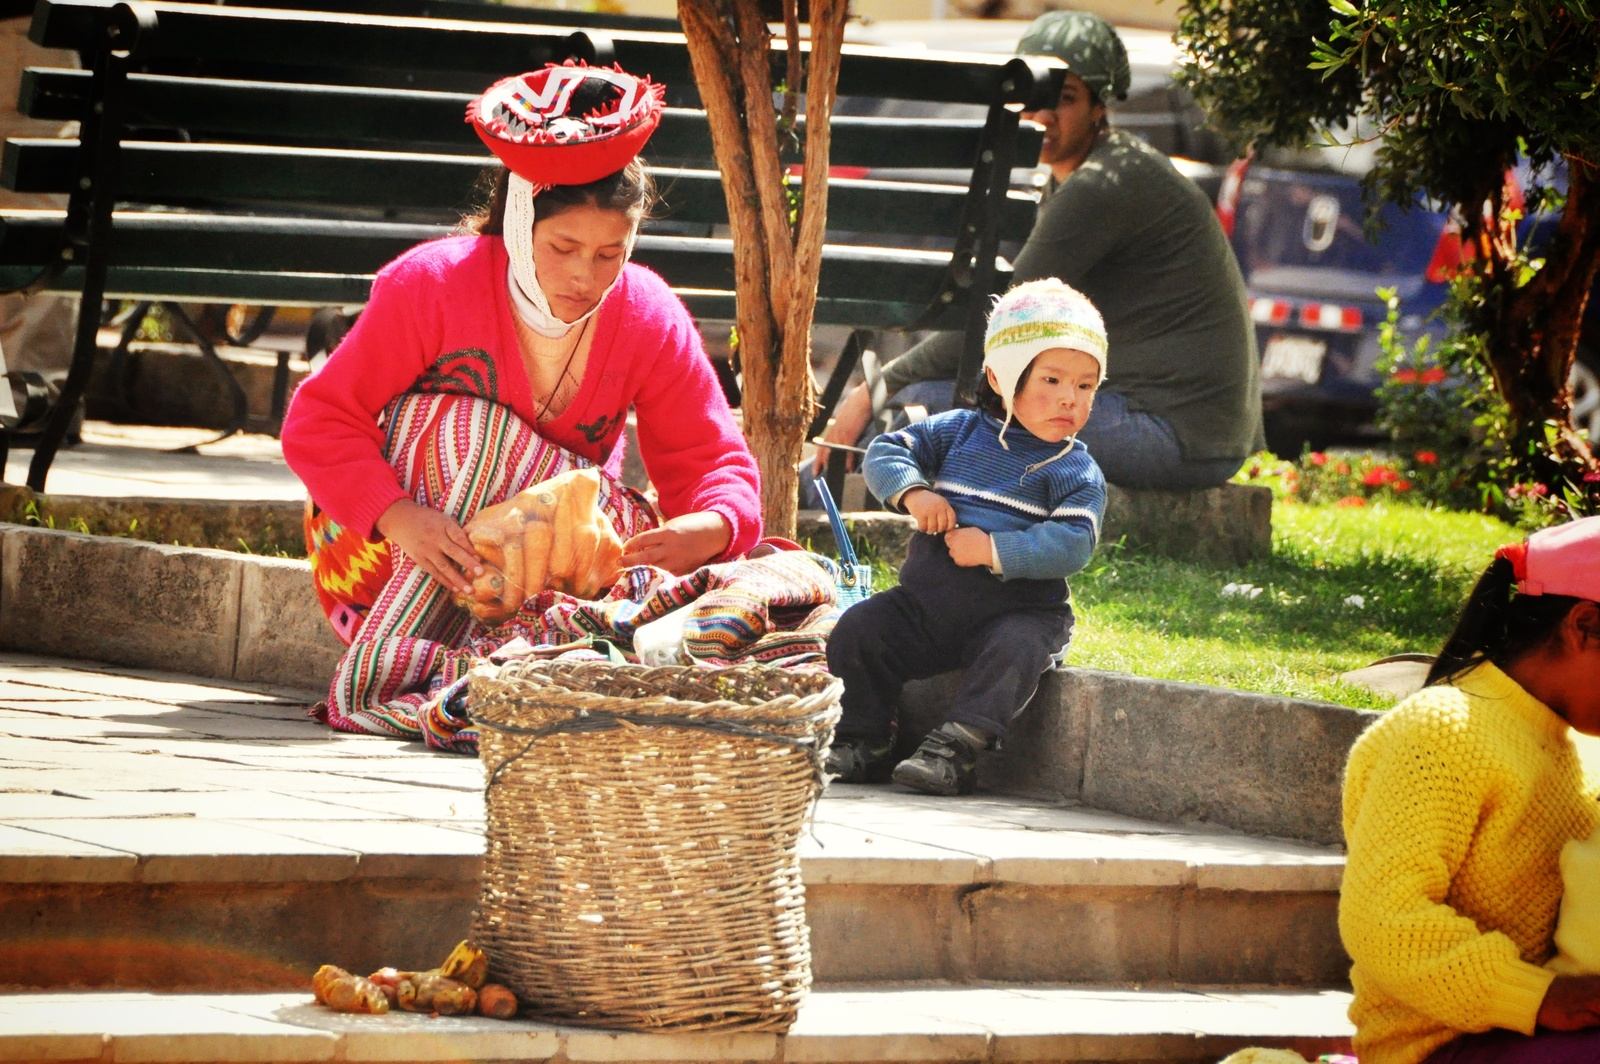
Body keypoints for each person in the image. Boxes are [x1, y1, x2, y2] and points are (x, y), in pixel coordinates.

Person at [281, 62, 762, 744]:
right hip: (385, 555)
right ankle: (398, 662)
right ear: (517, 222)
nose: (584, 275)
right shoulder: (431, 285)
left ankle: (492, 670)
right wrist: (399, 517)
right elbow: (320, 420)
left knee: (628, 523)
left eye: (610, 254)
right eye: (563, 246)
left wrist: (711, 525)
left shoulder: (647, 314)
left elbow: (711, 457)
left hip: (539, 577)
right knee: (462, 425)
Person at [811, 10, 1260, 493]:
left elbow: (1001, 323)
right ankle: (817, 494)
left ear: (1099, 107)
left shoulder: (1107, 183)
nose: (1043, 115)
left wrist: (874, 389)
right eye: (1036, 97)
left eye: (1065, 99)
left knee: (927, 402)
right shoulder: (1087, 174)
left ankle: (813, 498)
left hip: (1172, 433)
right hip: (1175, 427)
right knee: (937, 405)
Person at [823, 279, 1107, 796]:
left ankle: (956, 749)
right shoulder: (957, 431)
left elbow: (1074, 542)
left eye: (1086, 386)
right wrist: (915, 494)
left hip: (1018, 611)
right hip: (926, 608)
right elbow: (886, 451)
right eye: (1051, 379)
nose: (1070, 397)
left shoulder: (1075, 469)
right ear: (1000, 377)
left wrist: (994, 550)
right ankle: (863, 738)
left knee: (1016, 649)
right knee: (860, 628)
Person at [1338, 514, 1600, 1063]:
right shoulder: (1441, 729)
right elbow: (1385, 920)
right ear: (1583, 625)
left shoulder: (1577, 742)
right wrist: (1537, 996)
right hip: (1441, 1046)